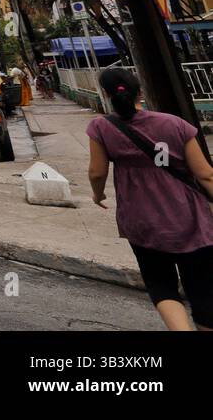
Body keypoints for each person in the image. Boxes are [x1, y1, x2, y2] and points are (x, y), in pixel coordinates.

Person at [87, 68, 213, 331]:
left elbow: (97, 172)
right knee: (203, 289)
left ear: (107, 95)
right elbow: (206, 175)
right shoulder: (175, 124)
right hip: (191, 218)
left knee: (161, 285)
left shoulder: (101, 127)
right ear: (140, 92)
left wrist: (97, 195)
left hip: (142, 221)